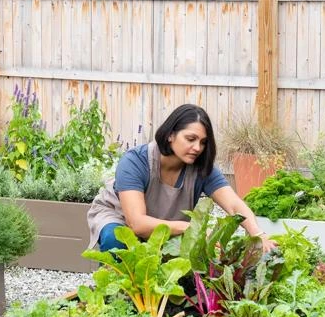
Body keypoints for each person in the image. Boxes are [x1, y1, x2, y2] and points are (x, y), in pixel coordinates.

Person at [87, 104, 275, 254]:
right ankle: (113, 286)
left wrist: (258, 234)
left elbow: (233, 205)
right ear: (171, 135)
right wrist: (187, 227)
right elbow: (136, 223)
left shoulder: (201, 168)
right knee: (116, 239)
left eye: (203, 142)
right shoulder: (135, 161)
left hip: (168, 224)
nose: (197, 148)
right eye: (190, 139)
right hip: (121, 218)